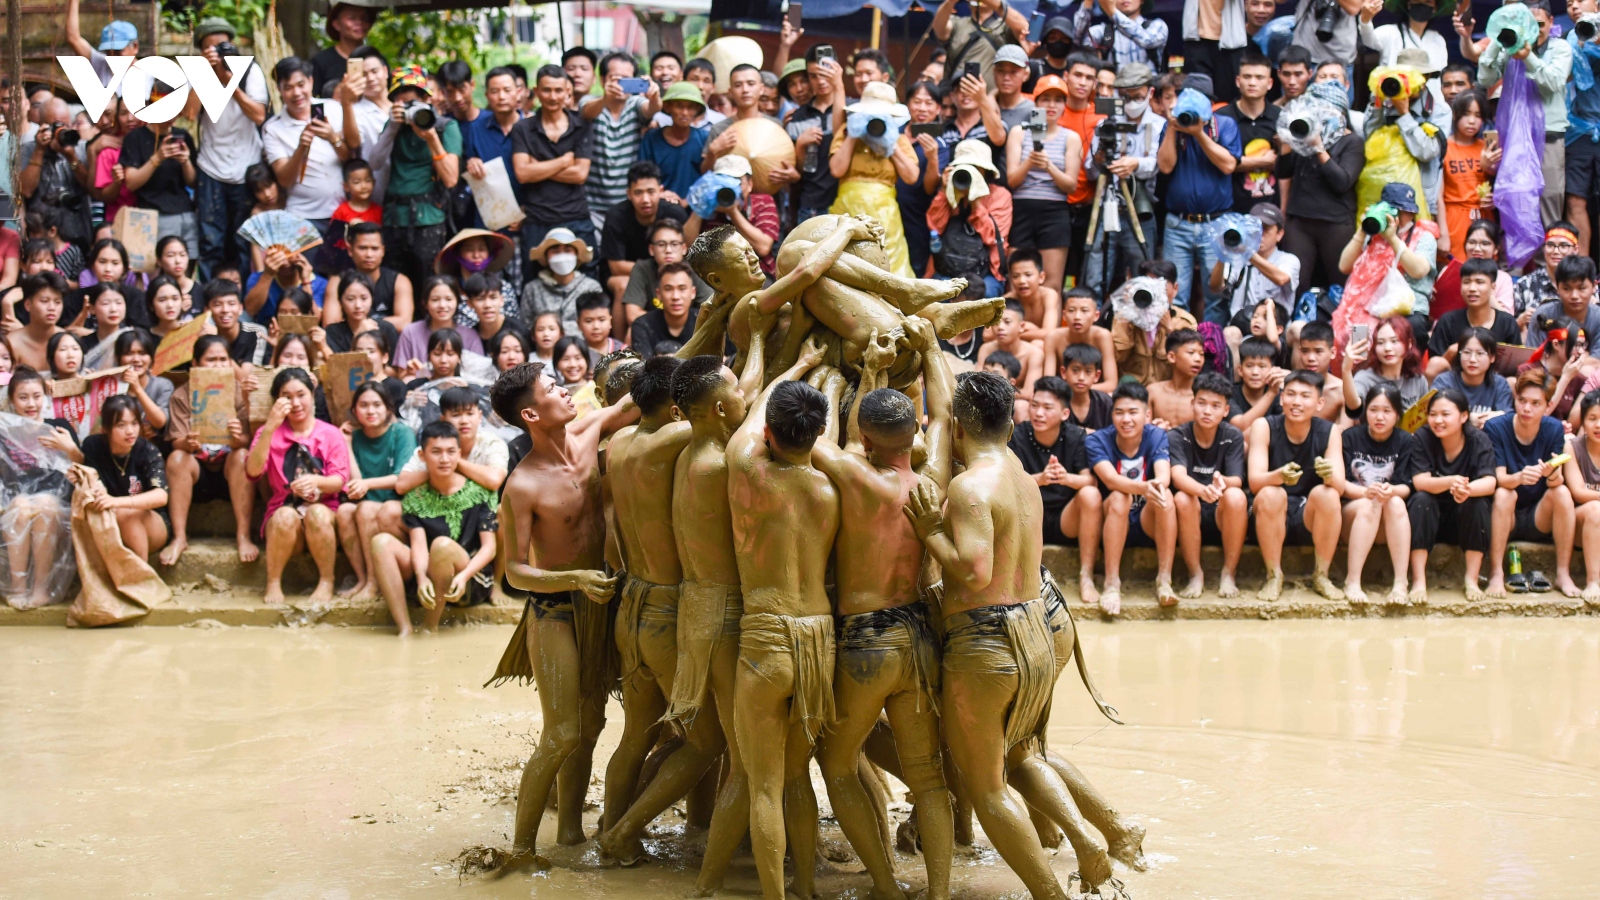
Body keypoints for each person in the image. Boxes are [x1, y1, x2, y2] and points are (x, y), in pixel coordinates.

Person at [903, 370, 1124, 898]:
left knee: (987, 788)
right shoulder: (1022, 475)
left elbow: (973, 571)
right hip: (1035, 628)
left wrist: (930, 531)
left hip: (987, 640)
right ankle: (1091, 843)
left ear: (956, 426)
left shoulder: (970, 486)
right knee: (1023, 752)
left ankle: (1049, 893)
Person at [807, 324, 955, 900]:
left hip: (865, 639)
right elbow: (942, 417)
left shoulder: (853, 477)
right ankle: (939, 893)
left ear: (865, 438)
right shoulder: (931, 481)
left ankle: (887, 886)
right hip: (917, 633)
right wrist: (933, 346)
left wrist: (829, 369)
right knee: (927, 777)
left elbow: (808, 434)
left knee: (836, 760)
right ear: (911, 434)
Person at [487, 361, 636, 876]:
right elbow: (515, 573)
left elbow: (638, 399)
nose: (567, 390)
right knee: (562, 734)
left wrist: (712, 323)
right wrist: (573, 579)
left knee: (591, 723)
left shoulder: (590, 429)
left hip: (599, 602)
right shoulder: (522, 484)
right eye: (553, 388)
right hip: (554, 611)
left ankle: (570, 831)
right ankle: (522, 850)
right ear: (531, 412)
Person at [369, 420, 498, 635]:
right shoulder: (417, 496)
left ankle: (431, 627)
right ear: (422, 456)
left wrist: (464, 575)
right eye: (436, 452)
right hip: (430, 577)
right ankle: (405, 629)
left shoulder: (480, 492)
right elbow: (418, 543)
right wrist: (421, 577)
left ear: (459, 454)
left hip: (468, 579)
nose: (444, 459)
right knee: (380, 542)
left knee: (442, 545)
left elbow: (489, 548)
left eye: (450, 452)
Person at [245, 367, 351, 606]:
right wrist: (270, 426)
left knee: (317, 513)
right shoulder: (268, 432)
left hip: (323, 513)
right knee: (284, 516)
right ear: (276, 401)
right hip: (284, 515)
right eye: (286, 396)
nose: (295, 402)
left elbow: (339, 481)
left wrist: (316, 481)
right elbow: (252, 472)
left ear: (312, 396)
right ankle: (273, 581)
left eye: (301, 394)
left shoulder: (330, 433)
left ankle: (326, 580)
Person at [1249, 371, 1345, 601]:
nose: (1296, 402)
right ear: (1281, 399)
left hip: (1308, 515)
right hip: (1267, 514)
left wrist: (1329, 475)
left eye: (1305, 396)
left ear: (1319, 403)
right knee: (1271, 493)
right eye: (1290, 394)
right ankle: (1274, 575)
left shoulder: (1329, 431)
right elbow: (1254, 481)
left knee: (1328, 494)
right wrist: (1278, 476)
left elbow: (1340, 486)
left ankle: (1321, 575)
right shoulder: (1264, 426)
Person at [186, 18, 270, 277]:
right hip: (211, 168)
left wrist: (229, 81)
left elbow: (259, 115)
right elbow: (189, 114)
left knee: (244, 242)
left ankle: (244, 300)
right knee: (211, 242)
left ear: (232, 45)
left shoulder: (250, 71)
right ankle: (212, 299)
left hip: (246, 168)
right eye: (209, 49)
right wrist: (205, 74)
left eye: (221, 46)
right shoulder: (198, 75)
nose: (217, 53)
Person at [160, 333, 253, 566]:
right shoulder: (182, 394)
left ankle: (243, 535)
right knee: (176, 458)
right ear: (195, 364)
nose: (218, 365)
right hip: (197, 470)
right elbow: (176, 442)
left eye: (223, 359)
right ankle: (180, 537)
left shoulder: (239, 391)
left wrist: (237, 438)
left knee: (242, 456)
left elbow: (250, 440)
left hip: (229, 470)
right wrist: (188, 442)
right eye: (211, 360)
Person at [1476, 0, 1571, 225]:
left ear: (1551, 22)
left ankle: (1546, 260)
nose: (1535, 31)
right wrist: (1499, 39)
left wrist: (1527, 57)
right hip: (1515, 140)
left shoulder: (1560, 47)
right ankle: (1517, 261)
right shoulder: (1511, 47)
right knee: (1514, 204)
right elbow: (1485, 79)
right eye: (1530, 25)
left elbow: (1554, 82)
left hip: (1548, 138)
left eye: (1540, 24)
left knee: (1547, 203)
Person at [1486, 370, 1579, 598]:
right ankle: (1496, 572)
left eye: (1535, 403)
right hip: (1507, 515)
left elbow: (1557, 479)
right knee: (1505, 494)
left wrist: (1551, 474)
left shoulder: (1554, 428)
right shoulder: (1496, 427)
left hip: (1540, 515)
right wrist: (1519, 477)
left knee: (1562, 492)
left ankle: (1563, 574)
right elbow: (1498, 479)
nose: (1527, 408)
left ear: (1548, 406)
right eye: (1522, 400)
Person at [1158, 73, 1242, 324]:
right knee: (1175, 294)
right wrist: (1174, 128)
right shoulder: (1171, 126)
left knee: (1217, 294)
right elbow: (1165, 166)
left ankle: (1212, 349)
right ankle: (1178, 348)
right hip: (1178, 223)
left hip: (1215, 223)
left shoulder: (1224, 125)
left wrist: (1198, 133)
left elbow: (1228, 165)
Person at [1012, 375, 1103, 603]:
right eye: (1034, 405)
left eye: (1047, 407)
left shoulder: (1076, 436)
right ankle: (1024, 577)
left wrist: (1064, 477)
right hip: (1030, 517)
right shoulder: (1017, 434)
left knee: (1090, 495)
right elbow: (1008, 482)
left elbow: (1089, 481)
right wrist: (1039, 479)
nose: (1038, 413)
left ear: (1064, 413)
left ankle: (1086, 576)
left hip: (1066, 518)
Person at [1089, 381, 1178, 612]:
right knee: (1120, 496)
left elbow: (1163, 476)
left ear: (1147, 415)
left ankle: (1164, 580)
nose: (1126, 419)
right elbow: (1110, 480)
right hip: (1113, 518)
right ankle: (1111, 583)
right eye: (1119, 412)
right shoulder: (1097, 440)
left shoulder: (1157, 435)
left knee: (1165, 494)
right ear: (1112, 415)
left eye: (1132, 412)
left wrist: (1154, 487)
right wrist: (1143, 488)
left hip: (1148, 517)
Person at [1407, 389, 1497, 601]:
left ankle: (1471, 580)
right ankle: (1419, 581)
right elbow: (1420, 482)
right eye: (1433, 414)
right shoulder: (1423, 437)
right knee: (1420, 500)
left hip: (1462, 518)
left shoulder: (1479, 440)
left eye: (1445, 414)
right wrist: (1450, 482)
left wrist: (1465, 490)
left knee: (1477, 503)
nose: (1438, 420)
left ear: (1464, 416)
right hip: (1431, 518)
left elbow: (1490, 482)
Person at [1278, 81, 1365, 296]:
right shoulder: (1303, 136)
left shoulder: (1351, 141)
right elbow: (1282, 172)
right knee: (1296, 286)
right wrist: (1288, 144)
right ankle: (1293, 328)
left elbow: (1343, 181)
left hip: (1335, 224)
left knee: (1341, 288)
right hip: (1300, 222)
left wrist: (1318, 148)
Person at [1168, 371, 1248, 599]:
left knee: (1236, 496)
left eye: (1215, 405)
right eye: (1201, 403)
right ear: (1192, 403)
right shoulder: (1177, 436)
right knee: (1182, 497)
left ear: (1226, 410)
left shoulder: (1233, 435)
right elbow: (1177, 476)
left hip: (1222, 514)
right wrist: (1203, 490)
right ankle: (1195, 574)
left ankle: (1228, 574)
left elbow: (1237, 479)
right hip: (1190, 512)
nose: (1207, 411)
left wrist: (1221, 483)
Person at [1004, 76, 1082, 295]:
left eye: (1058, 100)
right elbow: (1012, 180)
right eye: (1045, 99)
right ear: (1036, 103)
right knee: (1018, 281)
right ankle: (1015, 326)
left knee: (1052, 285)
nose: (1051, 105)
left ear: (1064, 105)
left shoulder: (1071, 138)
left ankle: (1050, 329)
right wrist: (1030, 161)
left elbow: (1071, 185)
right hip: (1022, 208)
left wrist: (1049, 166)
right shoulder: (1019, 132)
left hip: (1055, 211)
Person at [1339, 383, 1416, 604]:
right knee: (1369, 504)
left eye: (1387, 411)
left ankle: (1401, 583)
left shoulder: (1406, 441)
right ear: (1365, 413)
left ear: (1397, 414)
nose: (1379, 417)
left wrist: (1390, 490)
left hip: (1387, 519)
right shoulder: (1350, 437)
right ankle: (1352, 581)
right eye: (1373, 410)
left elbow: (1407, 486)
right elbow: (1340, 484)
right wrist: (1366, 493)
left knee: (1396, 503)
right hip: (1353, 515)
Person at [513, 65, 596, 263]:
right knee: (533, 285)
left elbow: (579, 175)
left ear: (568, 92)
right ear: (536, 92)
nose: (552, 96)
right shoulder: (522, 128)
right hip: (536, 220)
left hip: (576, 217)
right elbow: (522, 174)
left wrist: (538, 166)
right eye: (547, 90)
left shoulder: (582, 125)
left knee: (587, 282)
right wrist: (563, 161)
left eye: (558, 90)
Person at [74, 394, 169, 562]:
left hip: (151, 525)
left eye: (134, 423)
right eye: (121, 425)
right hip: (108, 522)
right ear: (105, 428)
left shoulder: (147, 450)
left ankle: (140, 577)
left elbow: (161, 496)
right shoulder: (93, 446)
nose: (130, 431)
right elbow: (91, 483)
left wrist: (117, 502)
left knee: (127, 514)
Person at [263, 57, 352, 227]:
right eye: (288, 87)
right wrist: (301, 147)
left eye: (301, 84)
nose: (296, 93)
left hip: (342, 211)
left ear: (311, 82)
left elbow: (352, 158)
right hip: (302, 216)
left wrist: (334, 139)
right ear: (278, 89)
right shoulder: (273, 128)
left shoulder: (333, 108)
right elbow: (284, 180)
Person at [583, 53, 661, 233]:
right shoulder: (591, 102)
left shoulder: (635, 103)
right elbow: (586, 113)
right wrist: (605, 99)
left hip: (628, 203)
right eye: (615, 78)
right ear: (603, 80)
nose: (621, 84)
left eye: (627, 79)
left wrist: (654, 96)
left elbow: (651, 109)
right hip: (592, 204)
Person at [602, 163, 690, 304]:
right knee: (623, 286)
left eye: (651, 192)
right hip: (626, 273)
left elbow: (686, 253)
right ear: (629, 194)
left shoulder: (675, 213)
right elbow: (616, 267)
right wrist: (655, 270)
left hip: (668, 268)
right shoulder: (616, 217)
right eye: (638, 193)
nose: (645, 199)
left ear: (661, 191)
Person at [1426, 258, 1522, 380]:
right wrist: (1451, 353)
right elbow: (1434, 369)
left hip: (1495, 388)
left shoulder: (1507, 323)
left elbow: (1516, 368)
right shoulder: (1447, 322)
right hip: (1454, 388)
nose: (1472, 288)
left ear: (1493, 288)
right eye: (1466, 282)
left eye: (1479, 282)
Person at [687, 155, 780, 275]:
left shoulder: (763, 202)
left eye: (736, 181)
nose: (729, 186)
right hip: (716, 272)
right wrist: (700, 206)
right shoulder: (708, 203)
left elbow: (763, 248)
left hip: (757, 271)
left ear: (750, 184)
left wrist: (733, 212)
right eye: (723, 181)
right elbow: (689, 247)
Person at [620, 219, 714, 331]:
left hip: (690, 330)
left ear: (684, 248)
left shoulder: (695, 269)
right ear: (651, 249)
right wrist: (669, 323)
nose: (668, 250)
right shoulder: (642, 268)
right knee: (631, 331)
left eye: (674, 244)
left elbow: (710, 312)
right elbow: (632, 315)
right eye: (661, 244)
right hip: (654, 330)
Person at [787, 48, 845, 224]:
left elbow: (840, 132)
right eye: (813, 76)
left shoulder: (852, 109)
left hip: (845, 203)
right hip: (812, 204)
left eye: (825, 73)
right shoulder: (797, 117)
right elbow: (797, 172)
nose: (820, 81)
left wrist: (839, 86)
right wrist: (800, 146)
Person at [1441, 91, 1499, 263]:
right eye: (1466, 114)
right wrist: (1442, 233)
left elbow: (1502, 186)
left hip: (1483, 216)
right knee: (1455, 271)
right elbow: (1437, 196)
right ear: (1455, 114)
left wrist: (1489, 170)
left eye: (1478, 115)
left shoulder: (1487, 148)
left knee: (1484, 271)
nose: (1472, 121)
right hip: (1454, 217)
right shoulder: (1444, 147)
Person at [325, 222, 413, 330]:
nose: (369, 255)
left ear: (383, 251)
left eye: (375, 249)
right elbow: (330, 325)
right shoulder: (337, 282)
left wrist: (361, 324)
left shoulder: (399, 281)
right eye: (362, 248)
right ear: (350, 250)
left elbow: (404, 323)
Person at [931, 0, 1027, 92]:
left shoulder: (1005, 26)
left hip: (993, 102)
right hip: (956, 99)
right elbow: (939, 27)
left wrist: (995, 3)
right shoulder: (957, 23)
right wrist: (950, 1)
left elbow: (1024, 28)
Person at [523, 228, 602, 338]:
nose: (562, 256)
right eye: (555, 251)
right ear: (546, 257)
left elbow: (596, 325)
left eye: (568, 250)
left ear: (577, 255)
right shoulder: (532, 289)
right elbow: (527, 326)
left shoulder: (591, 288)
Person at [640, 83, 712, 202]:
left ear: (697, 110)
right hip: (659, 205)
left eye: (690, 107)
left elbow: (710, 179)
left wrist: (687, 201)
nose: (684, 112)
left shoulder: (704, 139)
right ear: (668, 107)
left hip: (696, 209)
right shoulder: (652, 138)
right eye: (679, 106)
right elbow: (643, 176)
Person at [1431, 220, 1516, 319]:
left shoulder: (1503, 278)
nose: (1477, 249)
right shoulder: (1450, 270)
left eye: (1485, 244)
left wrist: (1486, 294)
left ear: (1496, 249)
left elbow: (1508, 320)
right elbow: (1434, 315)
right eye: (1472, 242)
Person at [1562, 390, 1600, 602]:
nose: (1598, 425)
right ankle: (1593, 582)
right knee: (1596, 509)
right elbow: (1577, 491)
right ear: (1583, 421)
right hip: (1581, 523)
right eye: (1592, 418)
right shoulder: (1573, 446)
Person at [396, 276, 479, 372]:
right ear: (425, 303)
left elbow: (478, 376)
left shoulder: (471, 336)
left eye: (448, 299)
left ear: (457, 302)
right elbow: (401, 375)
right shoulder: (410, 332)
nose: (442, 305)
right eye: (435, 300)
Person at [1432, 328, 1514, 423]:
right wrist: (1468, 419)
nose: (1472, 359)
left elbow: (1507, 416)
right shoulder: (1444, 382)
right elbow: (1436, 416)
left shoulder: (1500, 384)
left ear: (1492, 357)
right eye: (1466, 352)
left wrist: (1497, 417)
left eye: (1480, 353)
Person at [1513, 225, 1589, 327]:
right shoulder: (1524, 284)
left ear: (1575, 249)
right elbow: (1509, 330)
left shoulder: (1587, 284)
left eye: (1563, 246)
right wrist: (1521, 320)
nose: (1556, 251)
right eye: (1550, 245)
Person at [1526, 255, 1600, 353]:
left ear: (1594, 286)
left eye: (1581, 288)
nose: (1574, 296)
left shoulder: (1598, 318)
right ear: (1557, 287)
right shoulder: (1543, 315)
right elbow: (1533, 359)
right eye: (1566, 288)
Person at [629, 263, 697, 356]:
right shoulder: (643, 325)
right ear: (658, 294)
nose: (675, 296)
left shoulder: (706, 324)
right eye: (668, 289)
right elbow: (643, 368)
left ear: (693, 292)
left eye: (682, 289)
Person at [309, 2, 377, 97]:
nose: (359, 23)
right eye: (352, 18)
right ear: (336, 24)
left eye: (364, 18)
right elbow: (310, 100)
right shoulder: (321, 61)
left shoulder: (375, 58)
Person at [205, 278, 271, 367]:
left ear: (240, 308)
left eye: (231, 304)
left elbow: (247, 378)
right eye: (218, 305)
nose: (225, 310)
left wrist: (218, 343)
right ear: (207, 310)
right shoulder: (202, 334)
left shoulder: (256, 332)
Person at [1147, 328, 1206, 427]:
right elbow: (1144, 431)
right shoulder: (1153, 392)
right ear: (1171, 357)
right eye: (1191, 353)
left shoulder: (1203, 396)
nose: (1198, 359)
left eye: (1201, 354)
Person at [10, 273, 65, 372]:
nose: (52, 308)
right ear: (28, 305)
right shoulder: (12, 344)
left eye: (57, 302)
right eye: (44, 301)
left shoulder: (66, 341)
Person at [1007, 251, 1062, 344]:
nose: (1022, 281)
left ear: (1041, 277)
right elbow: (987, 335)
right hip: (1015, 347)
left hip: (1041, 346)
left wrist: (1013, 334)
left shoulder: (1048, 295)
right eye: (1016, 276)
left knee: (1038, 343)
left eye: (1028, 275)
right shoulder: (1007, 299)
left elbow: (1049, 333)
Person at [1059, 342, 1114, 430]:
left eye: (1088, 372)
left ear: (1097, 376)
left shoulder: (1105, 403)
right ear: (1064, 372)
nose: (1081, 378)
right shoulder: (1057, 402)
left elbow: (1112, 435)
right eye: (1075, 370)